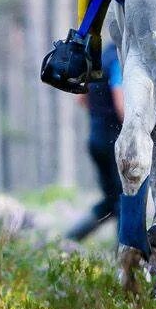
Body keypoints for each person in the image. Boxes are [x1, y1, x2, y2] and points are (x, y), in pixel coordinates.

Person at [64, 42, 125, 242]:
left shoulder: (97, 58)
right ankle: (123, 257)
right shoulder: (118, 60)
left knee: (111, 200)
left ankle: (70, 238)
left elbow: (81, 99)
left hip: (95, 139)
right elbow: (120, 103)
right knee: (123, 201)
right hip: (113, 141)